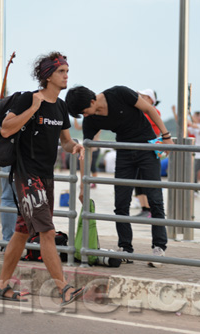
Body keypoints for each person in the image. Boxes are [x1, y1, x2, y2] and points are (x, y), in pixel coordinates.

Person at [0, 52, 85, 306]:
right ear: (48, 75)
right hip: (26, 175)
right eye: (61, 72)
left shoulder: (61, 105)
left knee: (22, 232)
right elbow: (7, 127)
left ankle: (1, 286)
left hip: (46, 176)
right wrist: (33, 108)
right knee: (47, 231)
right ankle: (63, 288)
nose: (66, 76)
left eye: (67, 71)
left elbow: (65, 142)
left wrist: (74, 146)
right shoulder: (28, 99)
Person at [65, 85, 173, 267]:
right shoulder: (91, 120)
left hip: (146, 146)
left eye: (85, 111)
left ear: (92, 101)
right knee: (121, 202)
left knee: (155, 199)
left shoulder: (119, 93)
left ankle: (159, 247)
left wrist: (166, 136)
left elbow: (148, 109)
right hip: (124, 151)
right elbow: (86, 151)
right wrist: (84, 183)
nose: (86, 116)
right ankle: (125, 248)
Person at [133, 89, 162, 217]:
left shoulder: (152, 112)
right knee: (138, 180)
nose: (140, 99)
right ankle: (144, 208)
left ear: (151, 99)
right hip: (139, 150)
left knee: (146, 180)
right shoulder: (142, 112)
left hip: (148, 151)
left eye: (143, 97)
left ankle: (149, 209)